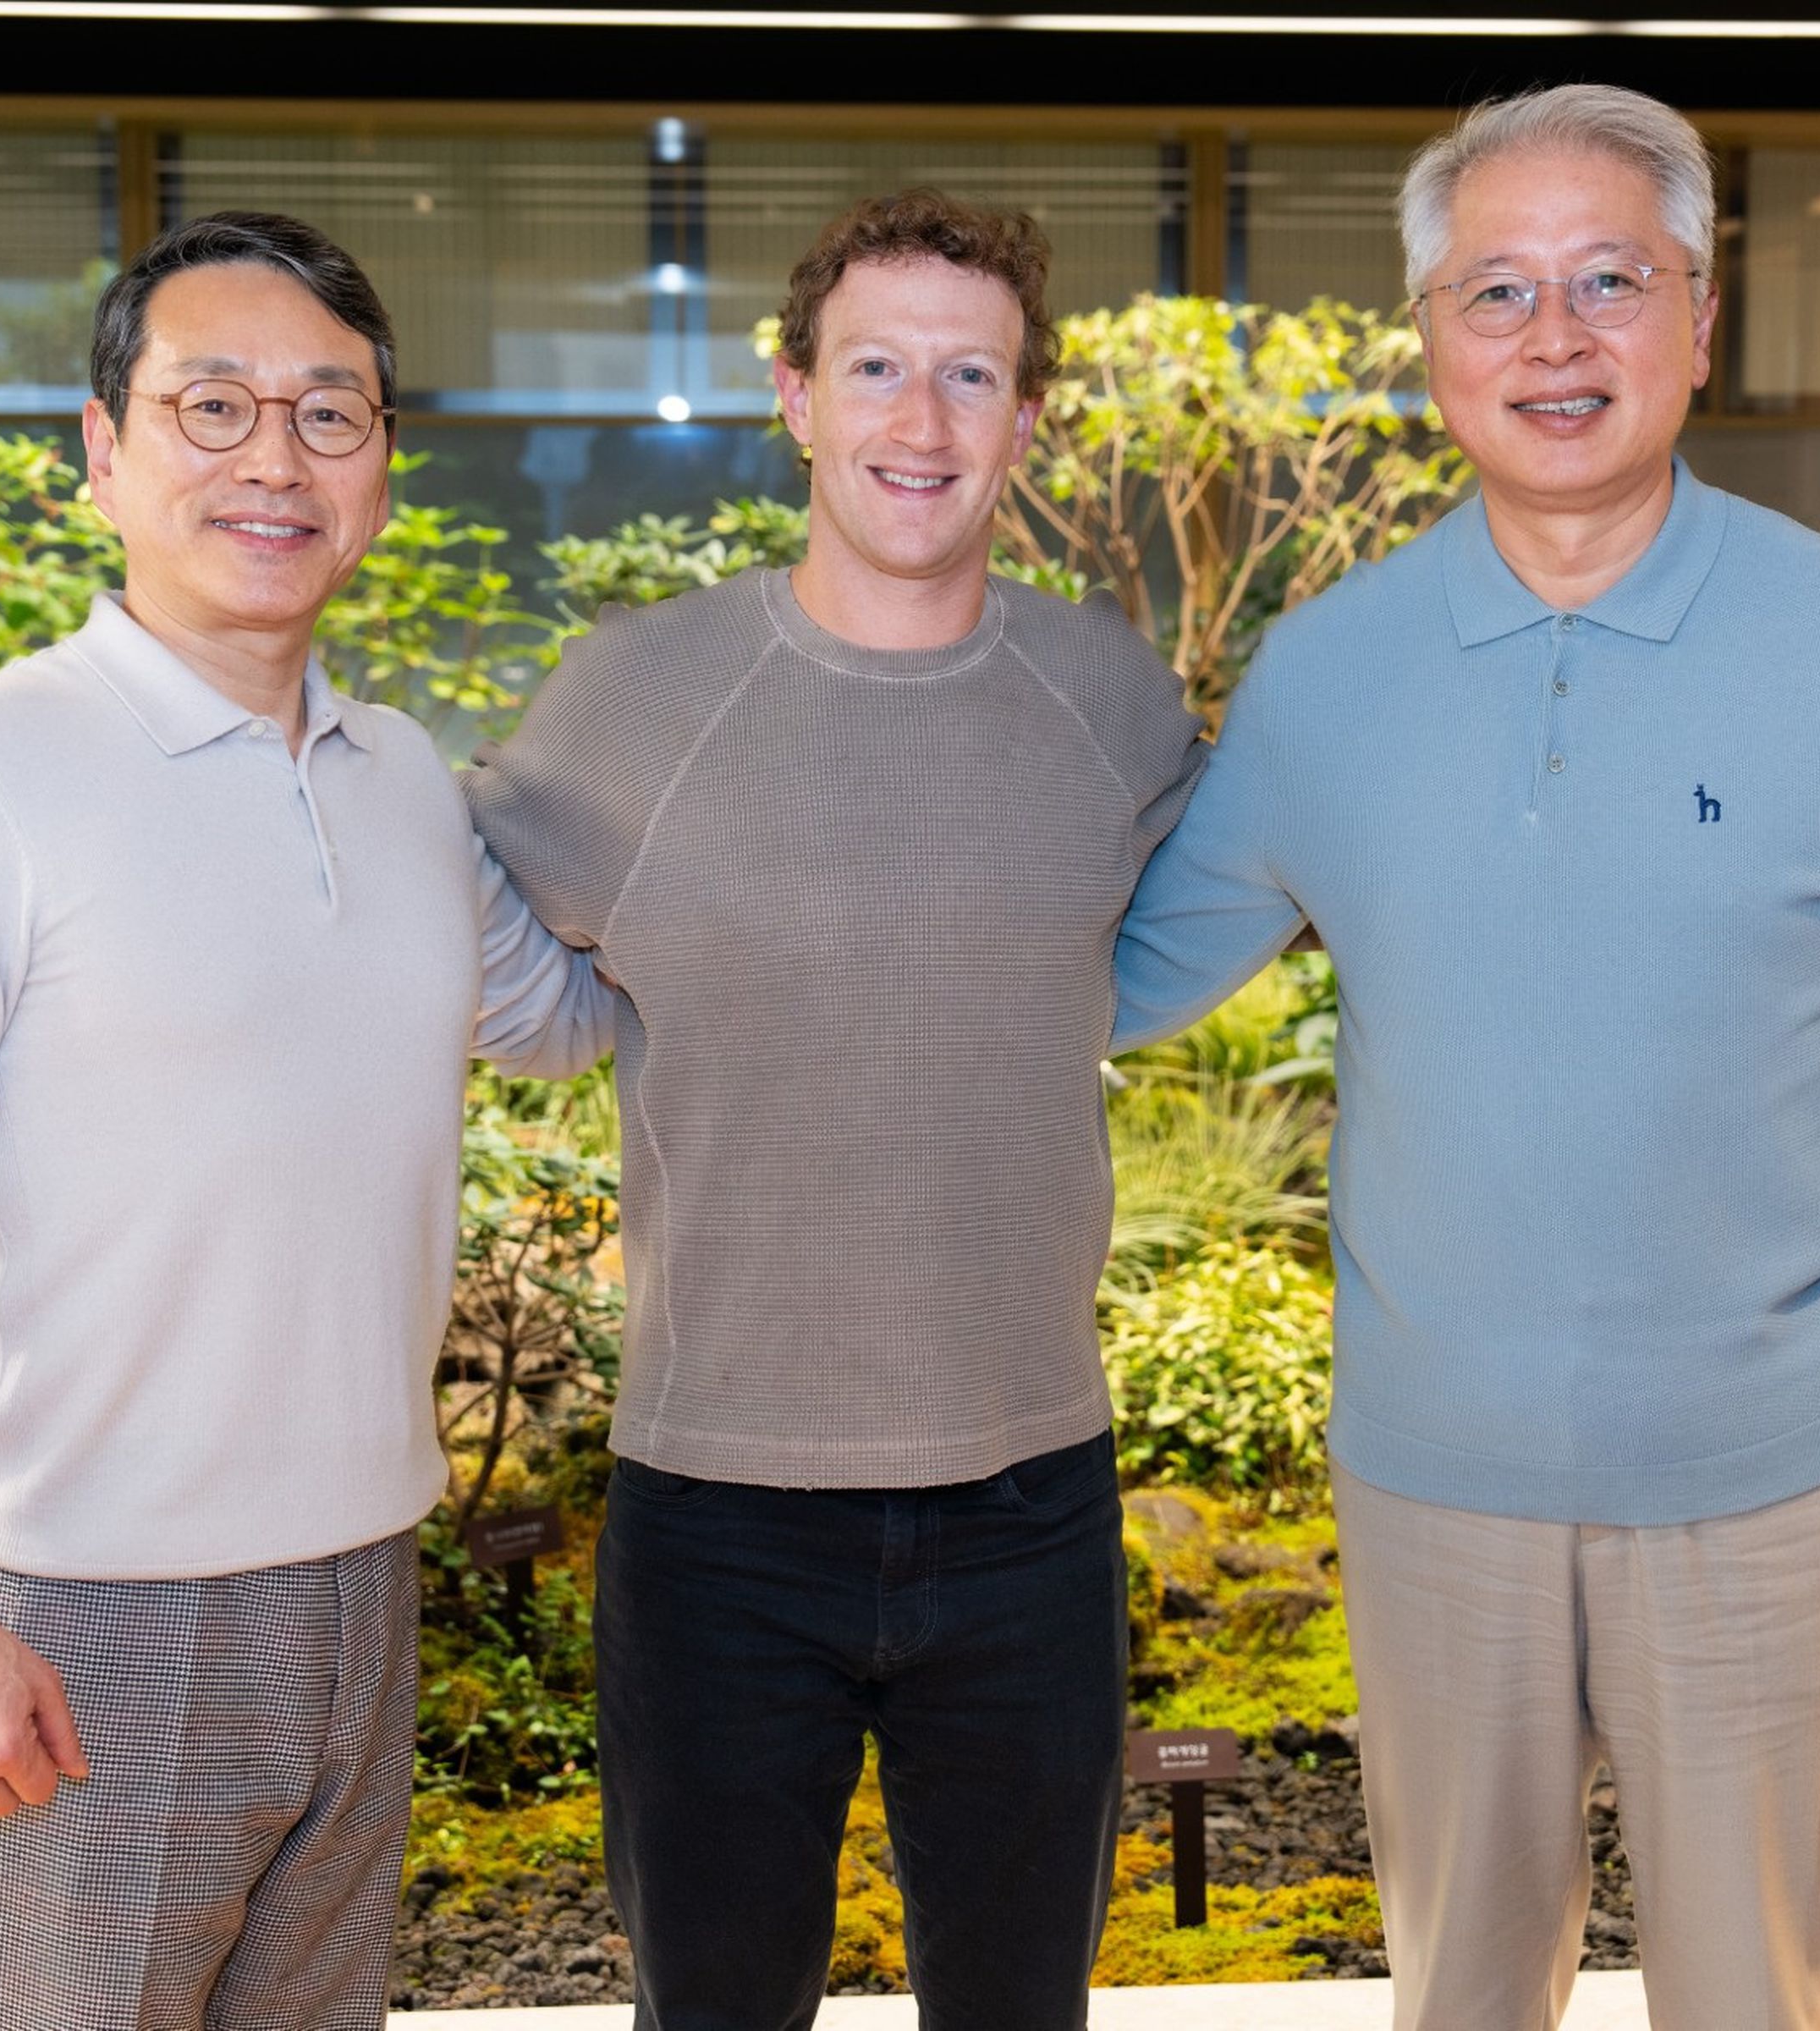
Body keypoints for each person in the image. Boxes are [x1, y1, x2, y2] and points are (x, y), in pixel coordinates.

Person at [1113, 82, 1820, 2031]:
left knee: (1757, 1999)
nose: (1553, 338)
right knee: (1462, 1990)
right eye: (1497, 290)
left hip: (1766, 1481)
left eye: (1609, 281)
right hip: (1430, 1483)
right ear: (1430, 337)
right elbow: (1113, 977)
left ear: (1702, 315)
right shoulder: (1328, 672)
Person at [465, 188, 1205, 2028]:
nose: (922, 422)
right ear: (794, 396)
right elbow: (467, 933)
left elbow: (1141, 946)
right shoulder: (635, 703)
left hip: (1031, 1506)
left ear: (1029, 416)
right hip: (718, 1510)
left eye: (972, 375)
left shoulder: (1108, 701)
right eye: (876, 367)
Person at [0, 212, 611, 2031]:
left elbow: (571, 1020)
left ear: (382, 467)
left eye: (328, 413)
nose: (272, 459)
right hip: (83, 1610)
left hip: (365, 1580)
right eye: (211, 405)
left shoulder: (397, 781)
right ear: (101, 450)